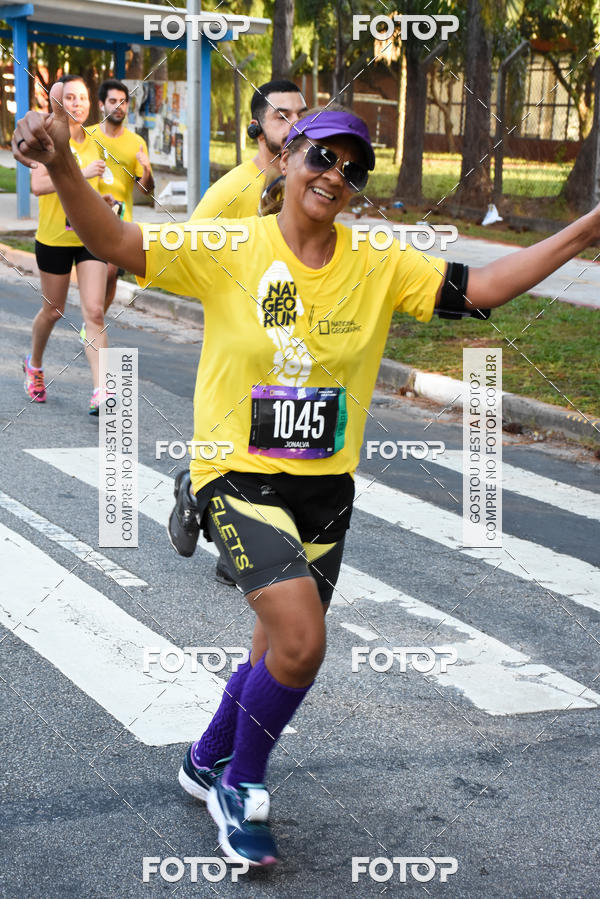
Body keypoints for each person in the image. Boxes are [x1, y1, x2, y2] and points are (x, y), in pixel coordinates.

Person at [14, 86, 600, 868]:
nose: (334, 173)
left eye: (352, 167)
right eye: (321, 154)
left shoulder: (379, 264)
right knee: (301, 641)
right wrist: (64, 167)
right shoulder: (233, 246)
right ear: (287, 158)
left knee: (269, 650)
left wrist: (587, 229)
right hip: (237, 473)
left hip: (326, 488)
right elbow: (118, 241)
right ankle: (242, 786)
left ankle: (203, 760)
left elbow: (483, 289)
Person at [168, 80, 307, 585]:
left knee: (280, 454)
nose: (296, 125)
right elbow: (186, 257)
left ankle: (219, 506)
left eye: (301, 114)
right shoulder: (229, 192)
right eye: (281, 116)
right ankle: (197, 489)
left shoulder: (311, 180)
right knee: (241, 452)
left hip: (292, 347)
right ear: (256, 127)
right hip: (240, 352)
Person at [23, 74, 109, 414]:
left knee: (95, 312)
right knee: (53, 310)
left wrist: (100, 200)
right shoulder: (47, 136)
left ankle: (102, 389)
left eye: (82, 98)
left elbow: (83, 193)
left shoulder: (95, 141)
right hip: (54, 238)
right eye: (70, 98)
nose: (77, 104)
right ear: (57, 102)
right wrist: (82, 172)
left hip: (88, 235)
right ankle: (35, 364)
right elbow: (39, 185)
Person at [87, 78, 154, 316]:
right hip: (89, 213)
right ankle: (93, 317)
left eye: (123, 102)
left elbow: (146, 191)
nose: (119, 106)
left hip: (120, 216)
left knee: (112, 274)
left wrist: (146, 170)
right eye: (113, 101)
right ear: (102, 104)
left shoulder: (137, 143)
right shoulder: (87, 137)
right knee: (103, 271)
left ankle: (95, 319)